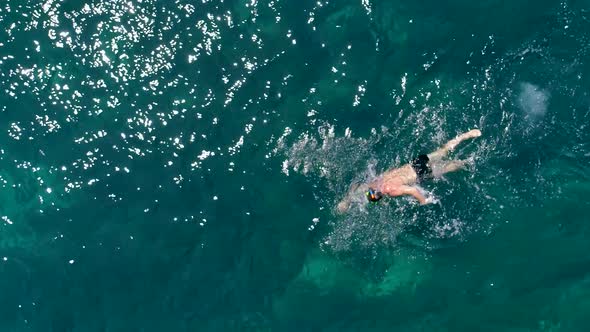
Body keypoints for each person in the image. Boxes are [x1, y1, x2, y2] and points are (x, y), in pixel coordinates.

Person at [337, 129, 482, 212]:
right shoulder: (375, 182)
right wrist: (345, 201)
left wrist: (423, 201)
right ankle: (465, 136)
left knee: (452, 167)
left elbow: (413, 191)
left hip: (422, 173)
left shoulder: (392, 191)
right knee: (443, 151)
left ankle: (469, 161)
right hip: (415, 163)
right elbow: (359, 188)